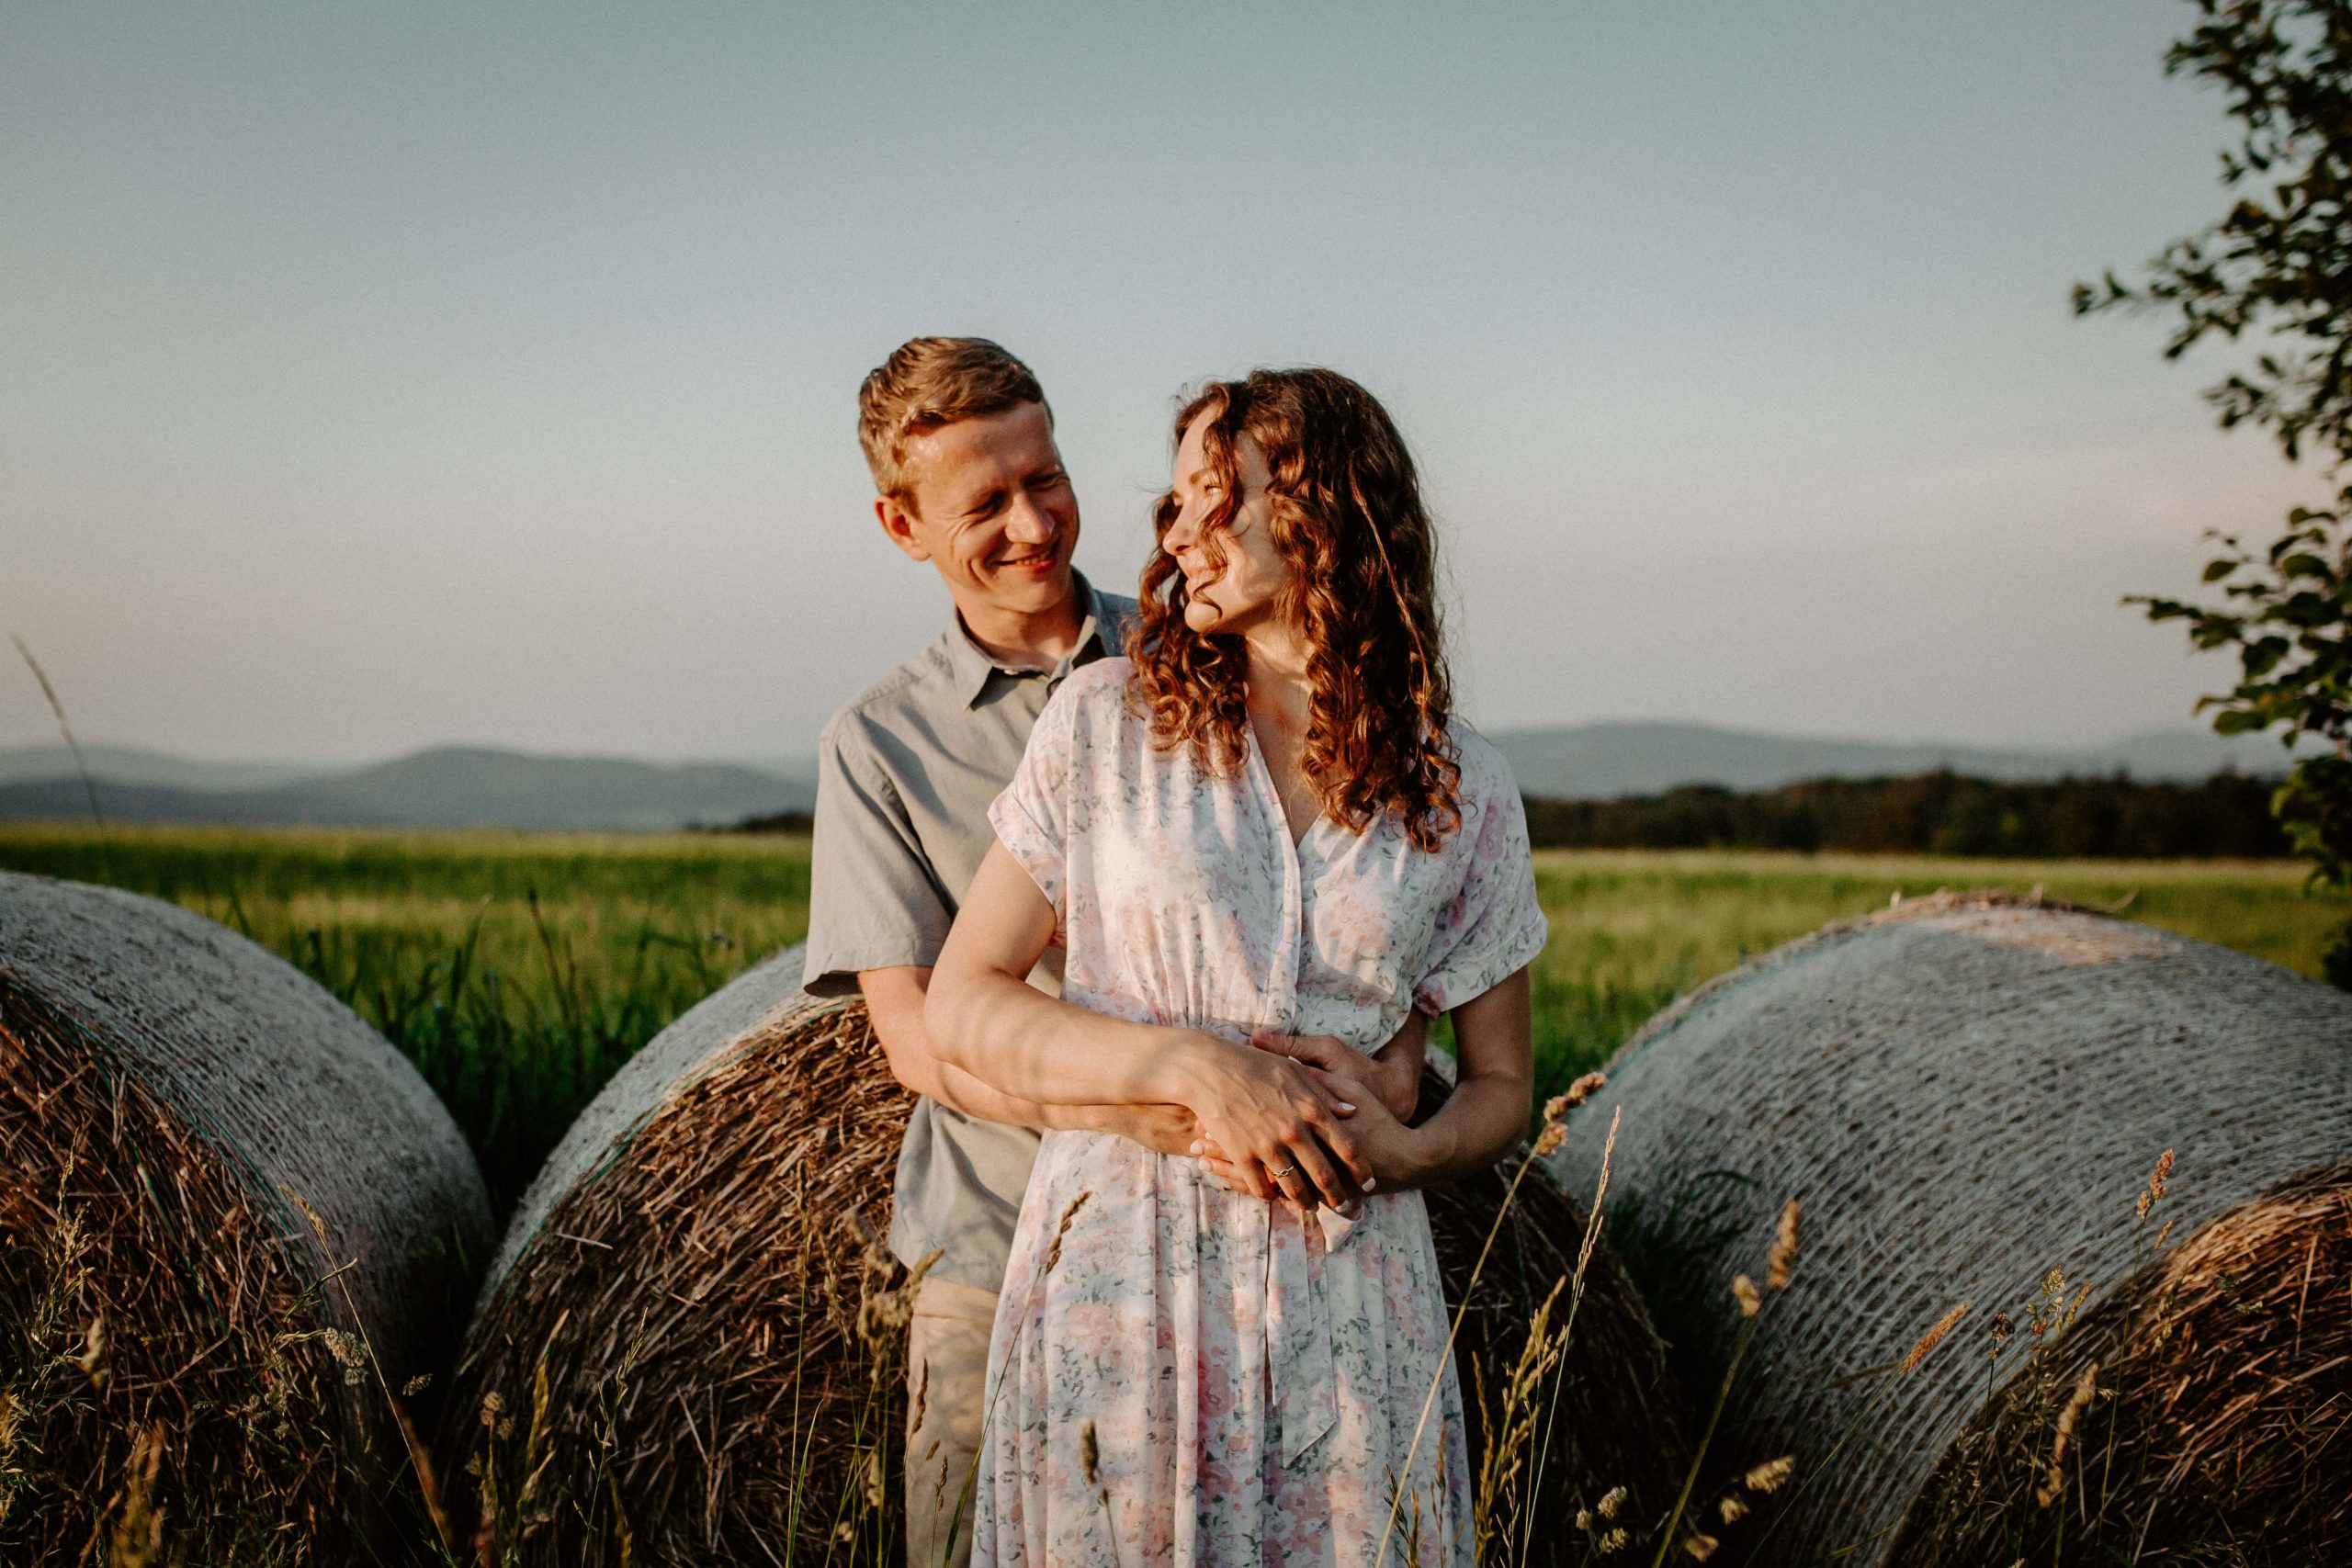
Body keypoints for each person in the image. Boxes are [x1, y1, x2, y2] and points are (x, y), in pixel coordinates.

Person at [803, 339, 1426, 1568]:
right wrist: (1150, 1092)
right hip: (993, 1252)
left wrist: (1395, 1068)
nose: (1035, 524)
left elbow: (1376, 887)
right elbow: (922, 1044)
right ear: (901, 525)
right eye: (984, 503)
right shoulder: (878, 747)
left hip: (1254, 1236)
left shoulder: (1211, 643)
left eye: (1046, 477)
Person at [925, 367, 1548, 1567]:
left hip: (1354, 1301)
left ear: (1322, 515)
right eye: (1172, 505)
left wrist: (1411, 1151)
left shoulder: (1460, 788)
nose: (1176, 535)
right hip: (1121, 1285)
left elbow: (1501, 1086)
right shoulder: (1104, 725)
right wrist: (1197, 1071)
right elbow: (962, 1004)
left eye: (1216, 500)